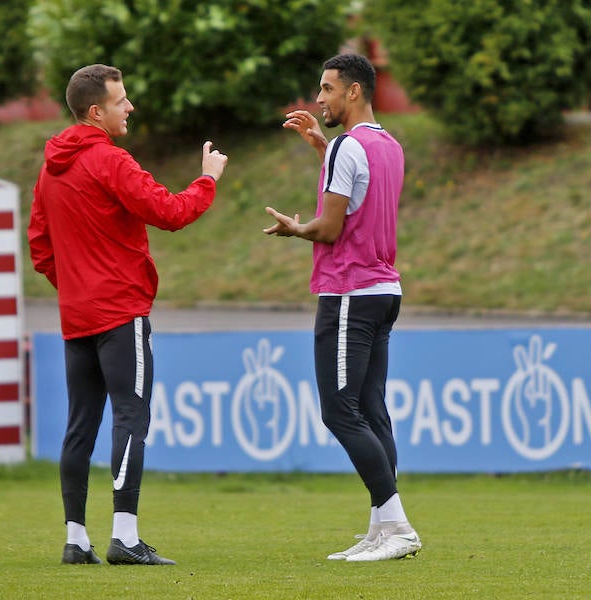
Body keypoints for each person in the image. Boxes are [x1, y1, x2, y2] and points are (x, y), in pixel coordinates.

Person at [28, 64, 228, 566]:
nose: (130, 107)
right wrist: (207, 180)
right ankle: (125, 537)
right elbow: (170, 212)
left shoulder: (50, 167)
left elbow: (39, 246)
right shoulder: (110, 160)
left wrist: (76, 286)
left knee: (79, 427)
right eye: (122, 100)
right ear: (96, 111)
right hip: (120, 312)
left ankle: (76, 540)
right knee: (131, 420)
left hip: (77, 317)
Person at [263, 53, 421, 562]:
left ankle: (396, 525)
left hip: (349, 291)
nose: (319, 99)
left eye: (328, 89)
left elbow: (330, 228)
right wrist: (322, 149)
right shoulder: (387, 144)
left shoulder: (347, 149)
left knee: (339, 410)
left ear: (353, 92)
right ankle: (381, 530)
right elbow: (357, 198)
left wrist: (295, 229)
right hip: (383, 290)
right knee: (371, 410)